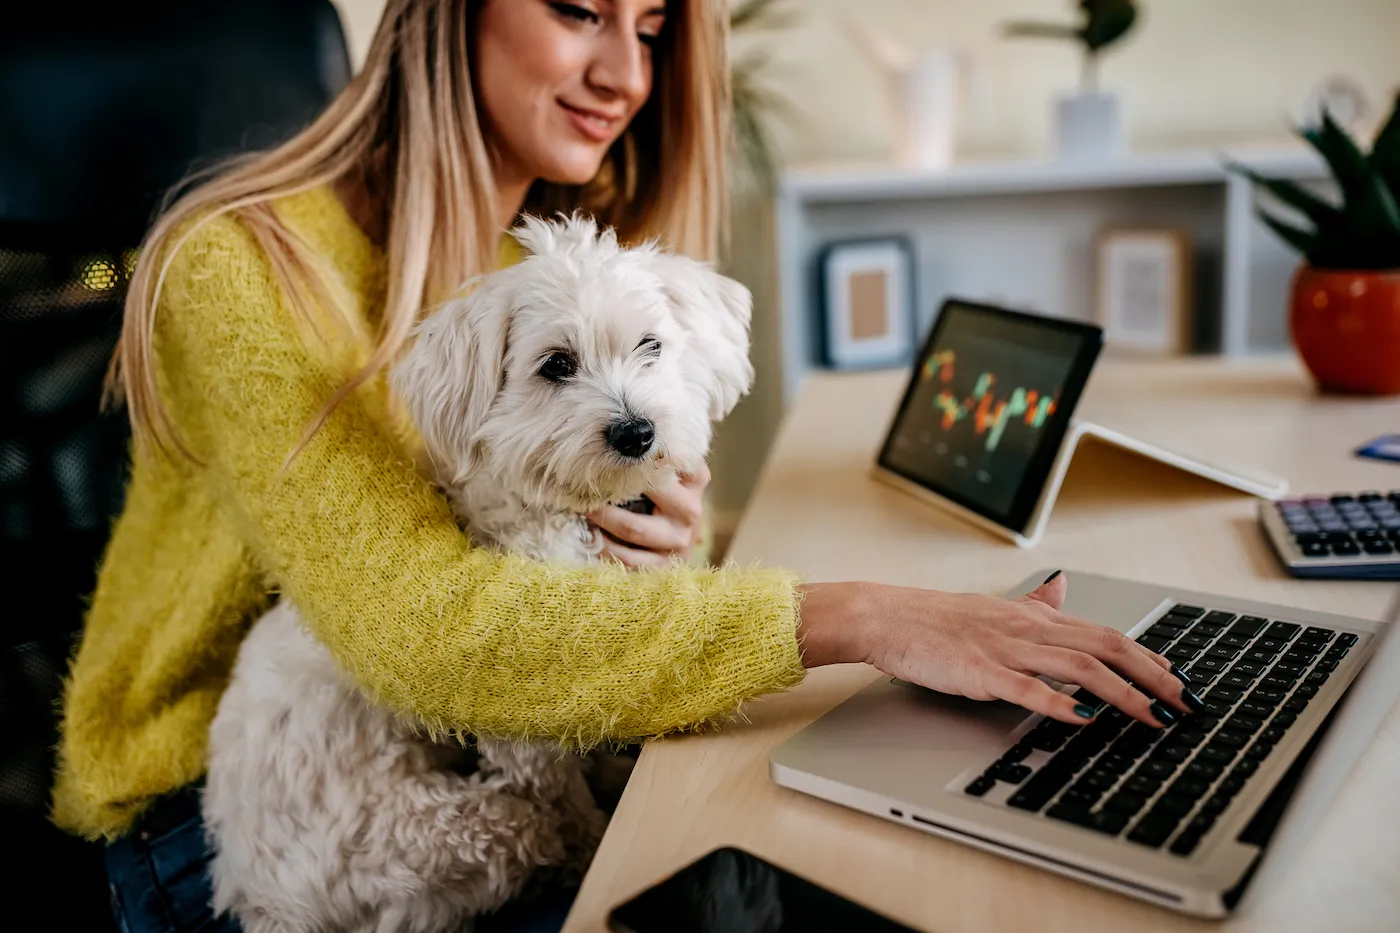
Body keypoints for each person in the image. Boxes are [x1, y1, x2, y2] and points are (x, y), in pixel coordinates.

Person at [53, 2, 1202, 931]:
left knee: (842, 827)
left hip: (476, 745)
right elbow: (420, 630)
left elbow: (574, 573)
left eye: (648, 29)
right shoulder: (243, 268)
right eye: (576, 13)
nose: (626, 74)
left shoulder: (535, 270)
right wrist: (856, 617)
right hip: (221, 835)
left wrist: (666, 528)